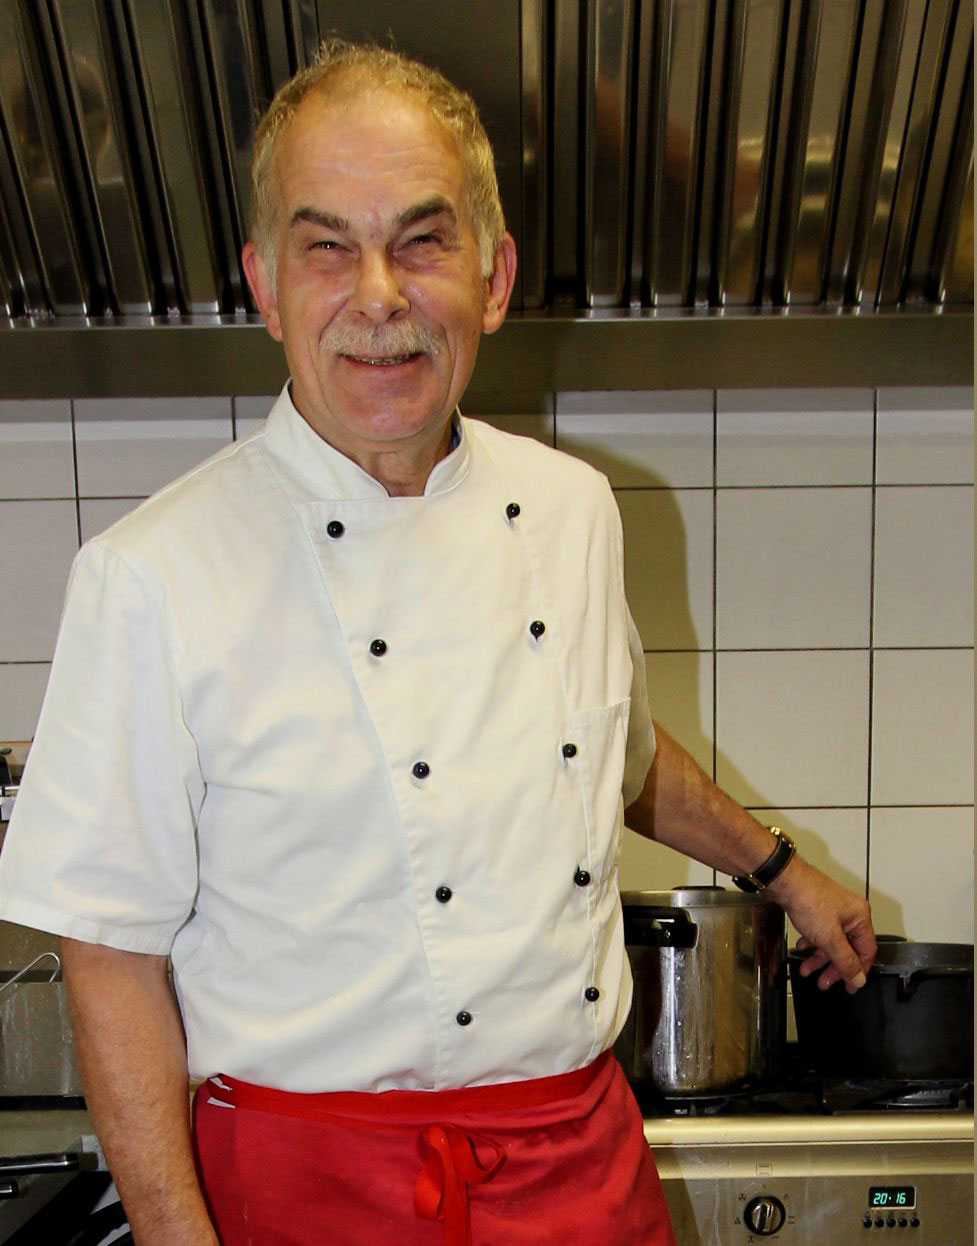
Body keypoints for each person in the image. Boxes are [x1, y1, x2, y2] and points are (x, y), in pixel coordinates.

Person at [0, 40, 875, 1246]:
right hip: (307, 1188)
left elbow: (609, 750)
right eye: (325, 247)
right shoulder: (152, 574)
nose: (378, 297)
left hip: (577, 1167)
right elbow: (108, 955)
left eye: (422, 240)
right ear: (264, 285)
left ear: (493, 275)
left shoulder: (571, 510)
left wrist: (781, 871)